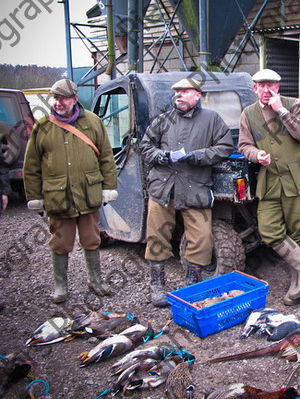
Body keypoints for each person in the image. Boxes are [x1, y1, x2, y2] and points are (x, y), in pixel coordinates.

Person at [140, 78, 234, 308]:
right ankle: (157, 285)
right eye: (176, 92)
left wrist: (198, 156)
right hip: (163, 188)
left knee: (201, 238)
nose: (179, 95)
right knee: (157, 237)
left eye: (184, 91)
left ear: (197, 95)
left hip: (195, 187)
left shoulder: (211, 119)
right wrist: (159, 156)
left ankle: (193, 284)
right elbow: (144, 147)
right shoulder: (163, 120)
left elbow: (225, 147)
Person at [23, 79, 118, 304]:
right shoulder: (43, 126)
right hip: (58, 197)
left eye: (63, 98)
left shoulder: (93, 122)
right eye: (55, 98)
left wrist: (108, 188)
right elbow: (32, 165)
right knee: (60, 243)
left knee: (92, 240)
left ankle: (95, 281)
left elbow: (106, 157)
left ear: (75, 99)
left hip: (88, 194)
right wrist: (35, 197)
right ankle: (60, 286)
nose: (58, 103)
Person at [238, 68, 300, 306]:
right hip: (271, 181)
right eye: (261, 86)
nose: (266, 90)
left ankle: (299, 286)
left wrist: (281, 111)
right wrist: (256, 155)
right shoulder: (249, 113)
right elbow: (244, 145)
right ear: (254, 88)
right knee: (269, 231)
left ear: (278, 87)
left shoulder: (294, 105)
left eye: (270, 85)